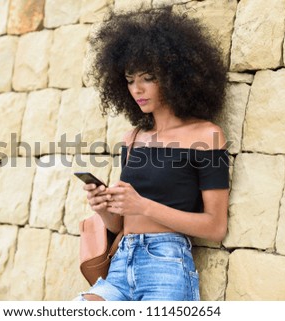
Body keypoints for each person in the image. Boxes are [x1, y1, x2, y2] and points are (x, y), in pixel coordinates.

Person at [76, 7, 229, 301]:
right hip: (120, 264)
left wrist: (143, 205)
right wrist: (103, 207)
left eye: (148, 78)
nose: (138, 89)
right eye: (130, 80)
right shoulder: (132, 138)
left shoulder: (206, 135)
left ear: (174, 77)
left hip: (166, 264)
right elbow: (120, 225)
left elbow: (215, 226)